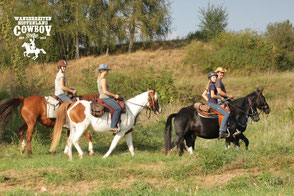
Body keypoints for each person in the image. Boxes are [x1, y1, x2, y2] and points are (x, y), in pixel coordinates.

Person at [97, 64, 122, 133]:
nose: (107, 72)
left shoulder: (99, 78)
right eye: (107, 70)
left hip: (103, 97)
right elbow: (105, 92)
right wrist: (114, 95)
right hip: (105, 98)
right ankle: (113, 126)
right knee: (118, 108)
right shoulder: (103, 80)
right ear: (104, 71)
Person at [206, 72, 230, 139]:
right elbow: (212, 95)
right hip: (212, 104)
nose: (215, 78)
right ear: (210, 78)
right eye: (213, 77)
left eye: (216, 77)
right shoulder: (212, 85)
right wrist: (220, 98)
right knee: (226, 114)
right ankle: (222, 131)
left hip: (212, 103)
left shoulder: (210, 85)